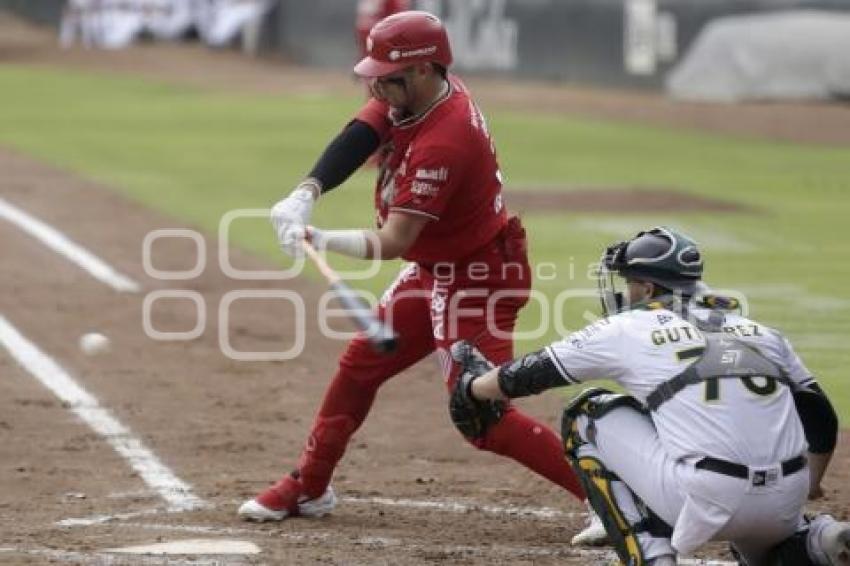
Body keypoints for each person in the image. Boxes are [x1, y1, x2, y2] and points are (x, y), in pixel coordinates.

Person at [238, 11, 595, 531]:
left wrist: (319, 238)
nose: (377, 86)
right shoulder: (419, 93)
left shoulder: (445, 139)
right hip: (443, 265)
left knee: (483, 416)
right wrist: (306, 191)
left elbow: (395, 241)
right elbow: (364, 129)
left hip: (478, 278)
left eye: (389, 76)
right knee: (360, 366)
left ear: (424, 69)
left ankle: (607, 499)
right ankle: (309, 486)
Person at [449, 226, 849, 566]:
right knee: (760, 535)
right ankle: (814, 539)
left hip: (707, 497)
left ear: (647, 285)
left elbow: (533, 373)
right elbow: (821, 417)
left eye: (629, 283)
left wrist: (473, 387)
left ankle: (653, 557)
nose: (626, 292)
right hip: (784, 500)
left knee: (587, 413)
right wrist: (809, 486)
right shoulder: (758, 330)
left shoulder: (629, 327)